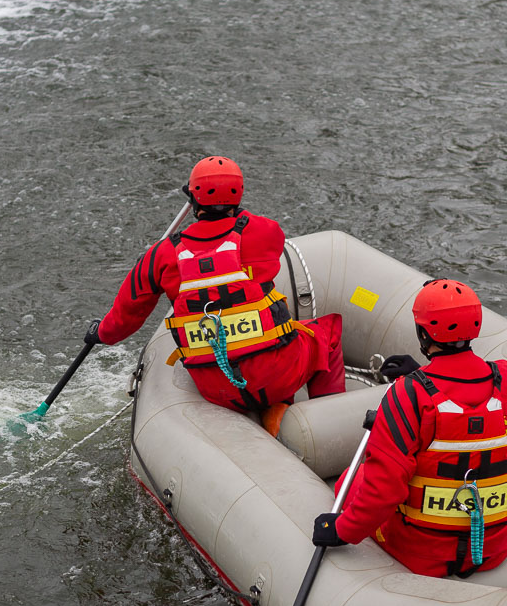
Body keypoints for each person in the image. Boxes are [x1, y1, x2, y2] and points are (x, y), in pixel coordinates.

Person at [86, 157, 344, 430]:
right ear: (240, 193)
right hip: (276, 374)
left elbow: (124, 320)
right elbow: (267, 233)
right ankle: (324, 427)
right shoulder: (261, 232)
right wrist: (234, 209)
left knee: (258, 352)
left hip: (216, 386)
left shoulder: (161, 255)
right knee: (328, 333)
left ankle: (277, 406)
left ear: (193, 198)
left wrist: (99, 333)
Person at [311, 279, 507, 577]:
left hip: (420, 553)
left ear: (423, 333)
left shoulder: (408, 395)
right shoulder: (506, 378)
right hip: (493, 546)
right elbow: (485, 430)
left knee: (353, 477)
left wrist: (340, 530)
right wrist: (421, 374)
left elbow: (383, 491)